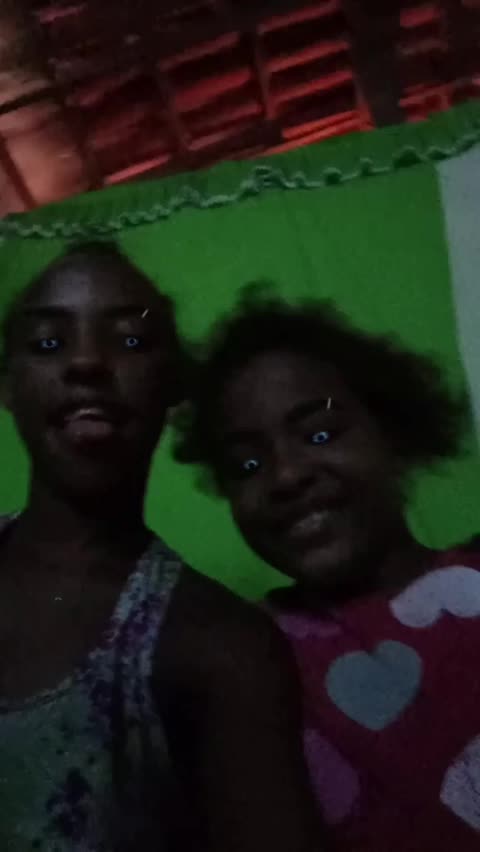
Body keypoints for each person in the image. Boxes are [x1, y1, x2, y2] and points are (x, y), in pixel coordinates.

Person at [0, 248, 321, 852]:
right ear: (7, 384)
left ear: (174, 382)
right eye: (48, 343)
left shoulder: (222, 649)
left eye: (129, 340)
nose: (87, 361)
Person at [175, 287, 480, 852]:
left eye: (319, 434)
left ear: (391, 433)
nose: (286, 475)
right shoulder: (247, 656)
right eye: (247, 463)